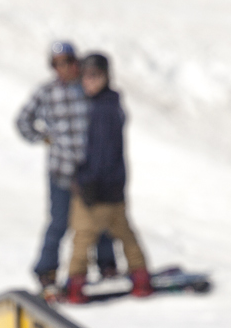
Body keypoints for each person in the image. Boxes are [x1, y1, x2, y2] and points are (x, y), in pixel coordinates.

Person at [15, 40, 115, 291]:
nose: (64, 68)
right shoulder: (46, 92)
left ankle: (107, 266)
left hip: (92, 170)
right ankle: (46, 271)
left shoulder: (88, 88)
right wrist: (43, 137)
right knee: (59, 222)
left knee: (99, 220)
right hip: (61, 170)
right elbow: (23, 121)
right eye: (57, 64)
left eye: (69, 62)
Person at [63, 53, 150, 303]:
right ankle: (140, 276)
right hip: (112, 186)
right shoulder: (109, 104)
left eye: (95, 76)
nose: (88, 82)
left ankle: (75, 285)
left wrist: (89, 181)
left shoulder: (102, 109)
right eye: (85, 77)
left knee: (83, 236)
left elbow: (102, 152)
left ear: (106, 77)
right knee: (124, 232)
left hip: (97, 187)